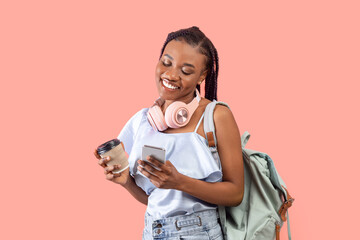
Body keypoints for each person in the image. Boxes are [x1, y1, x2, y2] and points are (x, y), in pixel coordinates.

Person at [94, 26, 244, 240]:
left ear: (202, 75)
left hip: (199, 233)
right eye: (166, 63)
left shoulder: (216, 116)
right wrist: (126, 181)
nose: (171, 75)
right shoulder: (143, 120)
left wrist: (180, 182)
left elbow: (236, 193)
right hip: (152, 231)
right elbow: (154, 199)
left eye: (186, 71)